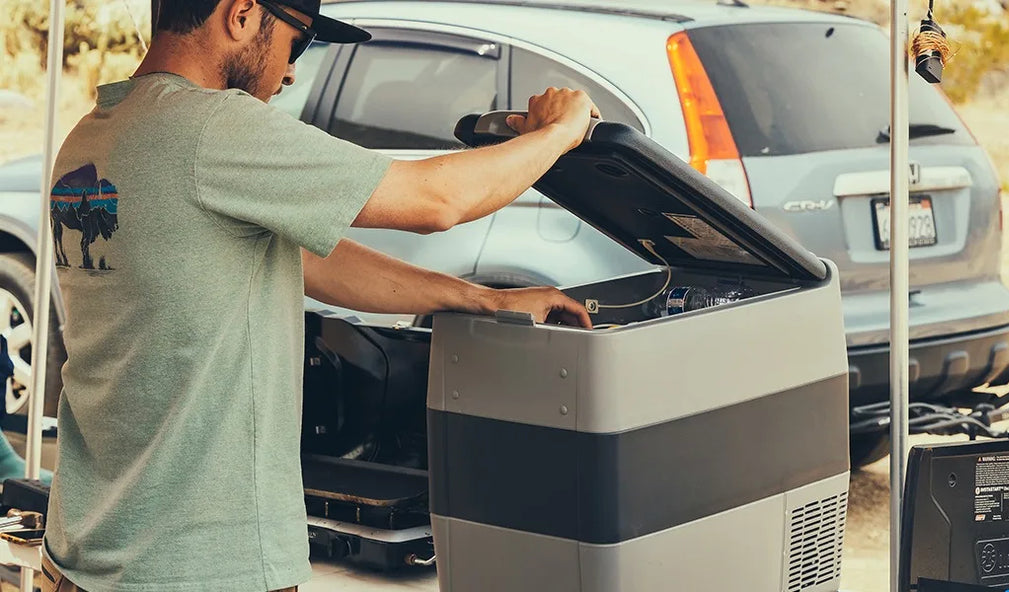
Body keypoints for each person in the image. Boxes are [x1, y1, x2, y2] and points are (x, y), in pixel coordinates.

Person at [40, 0, 596, 590]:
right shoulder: (214, 125)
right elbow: (436, 201)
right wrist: (560, 132)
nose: (290, 72)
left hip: (83, 551)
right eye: (297, 41)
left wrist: (480, 299)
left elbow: (303, 259)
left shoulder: (96, 134)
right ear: (242, 14)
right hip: (199, 568)